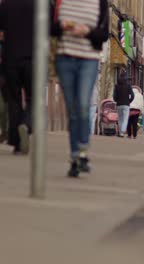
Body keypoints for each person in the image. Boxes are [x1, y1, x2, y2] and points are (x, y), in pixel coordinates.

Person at [51, 0, 109, 177]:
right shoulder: (61, 1)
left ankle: (83, 150)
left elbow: (104, 34)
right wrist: (61, 25)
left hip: (88, 60)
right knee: (73, 111)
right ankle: (74, 157)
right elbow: (50, 29)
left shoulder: (100, 2)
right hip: (65, 58)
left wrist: (87, 31)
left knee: (83, 106)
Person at [0, 0, 34, 154]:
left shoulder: (7, 4)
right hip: (32, 59)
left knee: (14, 99)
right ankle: (26, 125)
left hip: (11, 58)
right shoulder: (39, 5)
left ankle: (16, 142)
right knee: (33, 98)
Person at [113, 72, 134, 138]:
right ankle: (122, 131)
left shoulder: (116, 86)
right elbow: (132, 95)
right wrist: (129, 101)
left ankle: (120, 132)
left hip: (119, 104)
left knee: (120, 118)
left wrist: (116, 100)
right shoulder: (128, 86)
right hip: (126, 104)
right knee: (125, 119)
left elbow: (114, 96)